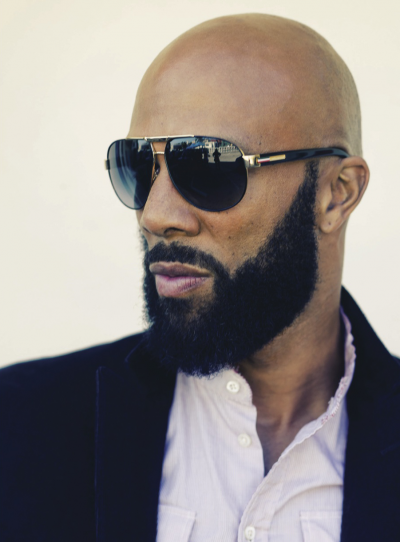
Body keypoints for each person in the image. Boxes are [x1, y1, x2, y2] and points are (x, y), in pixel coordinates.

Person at [1, 13, 399, 542]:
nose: (155, 215)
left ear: (336, 194)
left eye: (209, 166)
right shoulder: (21, 424)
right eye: (137, 166)